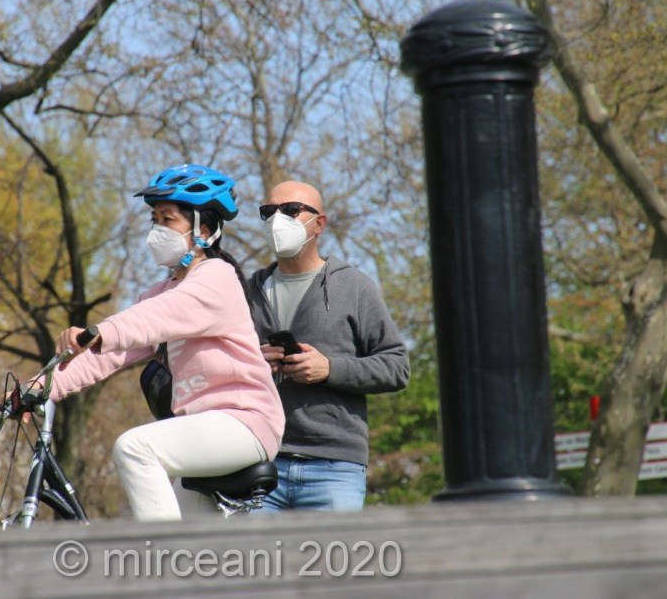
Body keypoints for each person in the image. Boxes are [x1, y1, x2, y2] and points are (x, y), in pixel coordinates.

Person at [36, 164, 285, 522]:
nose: (157, 230)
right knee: (195, 551)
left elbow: (155, 317)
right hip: (203, 430)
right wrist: (39, 387)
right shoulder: (163, 292)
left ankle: (159, 554)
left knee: (135, 449)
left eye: (168, 220)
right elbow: (109, 355)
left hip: (244, 421)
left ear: (204, 230)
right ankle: (173, 557)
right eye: (154, 220)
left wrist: (97, 331)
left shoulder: (217, 277)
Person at [249, 180, 410, 512]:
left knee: (335, 549)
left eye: (291, 210)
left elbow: (397, 367)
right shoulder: (247, 291)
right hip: (260, 462)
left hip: (334, 468)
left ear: (319, 223)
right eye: (269, 211)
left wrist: (330, 369)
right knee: (251, 551)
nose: (277, 220)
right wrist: (252, 362)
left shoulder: (354, 286)